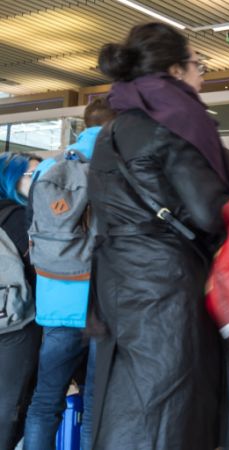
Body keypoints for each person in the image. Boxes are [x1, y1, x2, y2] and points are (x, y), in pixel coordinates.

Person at [88, 22, 229, 449]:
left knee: (127, 394)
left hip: (116, 281)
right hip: (167, 285)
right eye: (197, 65)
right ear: (174, 70)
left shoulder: (110, 131)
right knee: (171, 402)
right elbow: (209, 213)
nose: (201, 75)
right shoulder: (175, 123)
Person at [22, 97, 116, 450]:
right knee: (95, 404)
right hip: (100, 304)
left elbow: (33, 229)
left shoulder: (48, 169)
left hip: (56, 299)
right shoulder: (116, 169)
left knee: (45, 400)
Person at [0, 152, 42, 450]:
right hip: (15, 324)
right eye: (32, 175)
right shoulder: (19, 218)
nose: (41, 182)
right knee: (10, 406)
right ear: (10, 179)